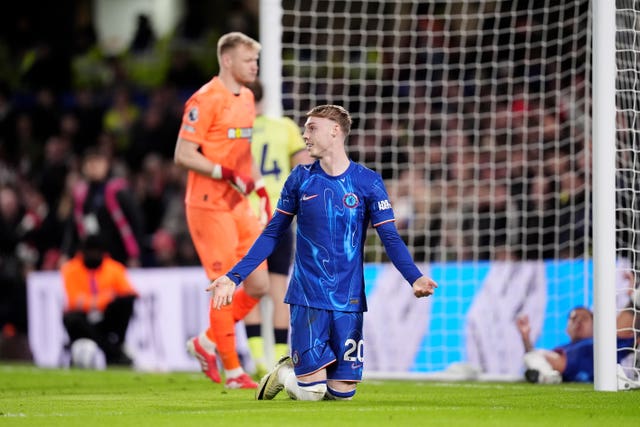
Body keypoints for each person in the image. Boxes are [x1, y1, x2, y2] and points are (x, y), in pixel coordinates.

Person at [207, 104, 438, 401]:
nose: (305, 135)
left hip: (350, 299)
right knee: (313, 393)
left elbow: (389, 237)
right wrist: (233, 276)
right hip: (307, 297)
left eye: (312, 128)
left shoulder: (368, 182)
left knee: (342, 395)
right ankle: (287, 375)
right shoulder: (300, 179)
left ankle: (291, 374)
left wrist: (414, 277)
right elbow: (272, 232)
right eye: (305, 129)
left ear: (335, 131)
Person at [173, 31, 271, 389]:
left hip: (238, 203)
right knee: (225, 285)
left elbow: (243, 154)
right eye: (249, 61)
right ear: (227, 60)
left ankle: (207, 342)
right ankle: (233, 372)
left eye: (256, 61)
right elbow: (183, 155)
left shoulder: (246, 97)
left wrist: (257, 187)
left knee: (259, 284)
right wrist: (224, 173)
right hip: (207, 205)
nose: (255, 67)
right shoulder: (204, 99)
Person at [242, 79, 313, 377]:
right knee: (278, 287)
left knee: (250, 290)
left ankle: (258, 359)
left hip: (246, 214)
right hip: (279, 214)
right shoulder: (284, 127)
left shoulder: (236, 132)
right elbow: (304, 165)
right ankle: (282, 358)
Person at [517, 294, 638, 384]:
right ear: (566, 329)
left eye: (584, 318)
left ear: (595, 324)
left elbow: (628, 330)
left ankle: (636, 297)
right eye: (574, 319)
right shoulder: (563, 349)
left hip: (602, 347)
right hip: (564, 367)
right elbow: (533, 357)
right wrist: (526, 338)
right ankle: (547, 375)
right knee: (534, 356)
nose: (578, 321)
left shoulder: (608, 342)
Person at [61, 146, 145, 268]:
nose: (93, 166)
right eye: (89, 162)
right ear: (84, 167)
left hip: (119, 258)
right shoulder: (81, 196)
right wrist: (66, 253)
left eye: (98, 162)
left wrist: (135, 256)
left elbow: (136, 222)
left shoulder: (119, 191)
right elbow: (72, 227)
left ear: (106, 164)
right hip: (91, 260)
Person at [61, 234, 137, 366]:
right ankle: (114, 353)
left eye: (96, 253)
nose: (93, 256)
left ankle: (117, 346)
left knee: (126, 303)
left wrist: (95, 302)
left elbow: (130, 293)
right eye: (90, 252)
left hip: (106, 318)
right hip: (84, 319)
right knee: (71, 318)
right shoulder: (70, 269)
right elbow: (74, 301)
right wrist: (105, 298)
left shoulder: (114, 268)